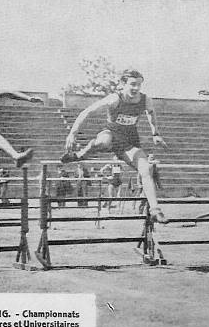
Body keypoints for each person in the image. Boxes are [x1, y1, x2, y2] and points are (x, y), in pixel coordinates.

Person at [61, 69, 169, 223]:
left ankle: (155, 210)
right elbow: (88, 111)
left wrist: (155, 133)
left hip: (129, 141)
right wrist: (72, 133)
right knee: (103, 141)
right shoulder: (114, 98)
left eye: (139, 85)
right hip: (110, 134)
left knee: (146, 169)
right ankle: (79, 155)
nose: (136, 88)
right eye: (132, 84)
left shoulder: (145, 100)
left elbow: (151, 113)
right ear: (123, 84)